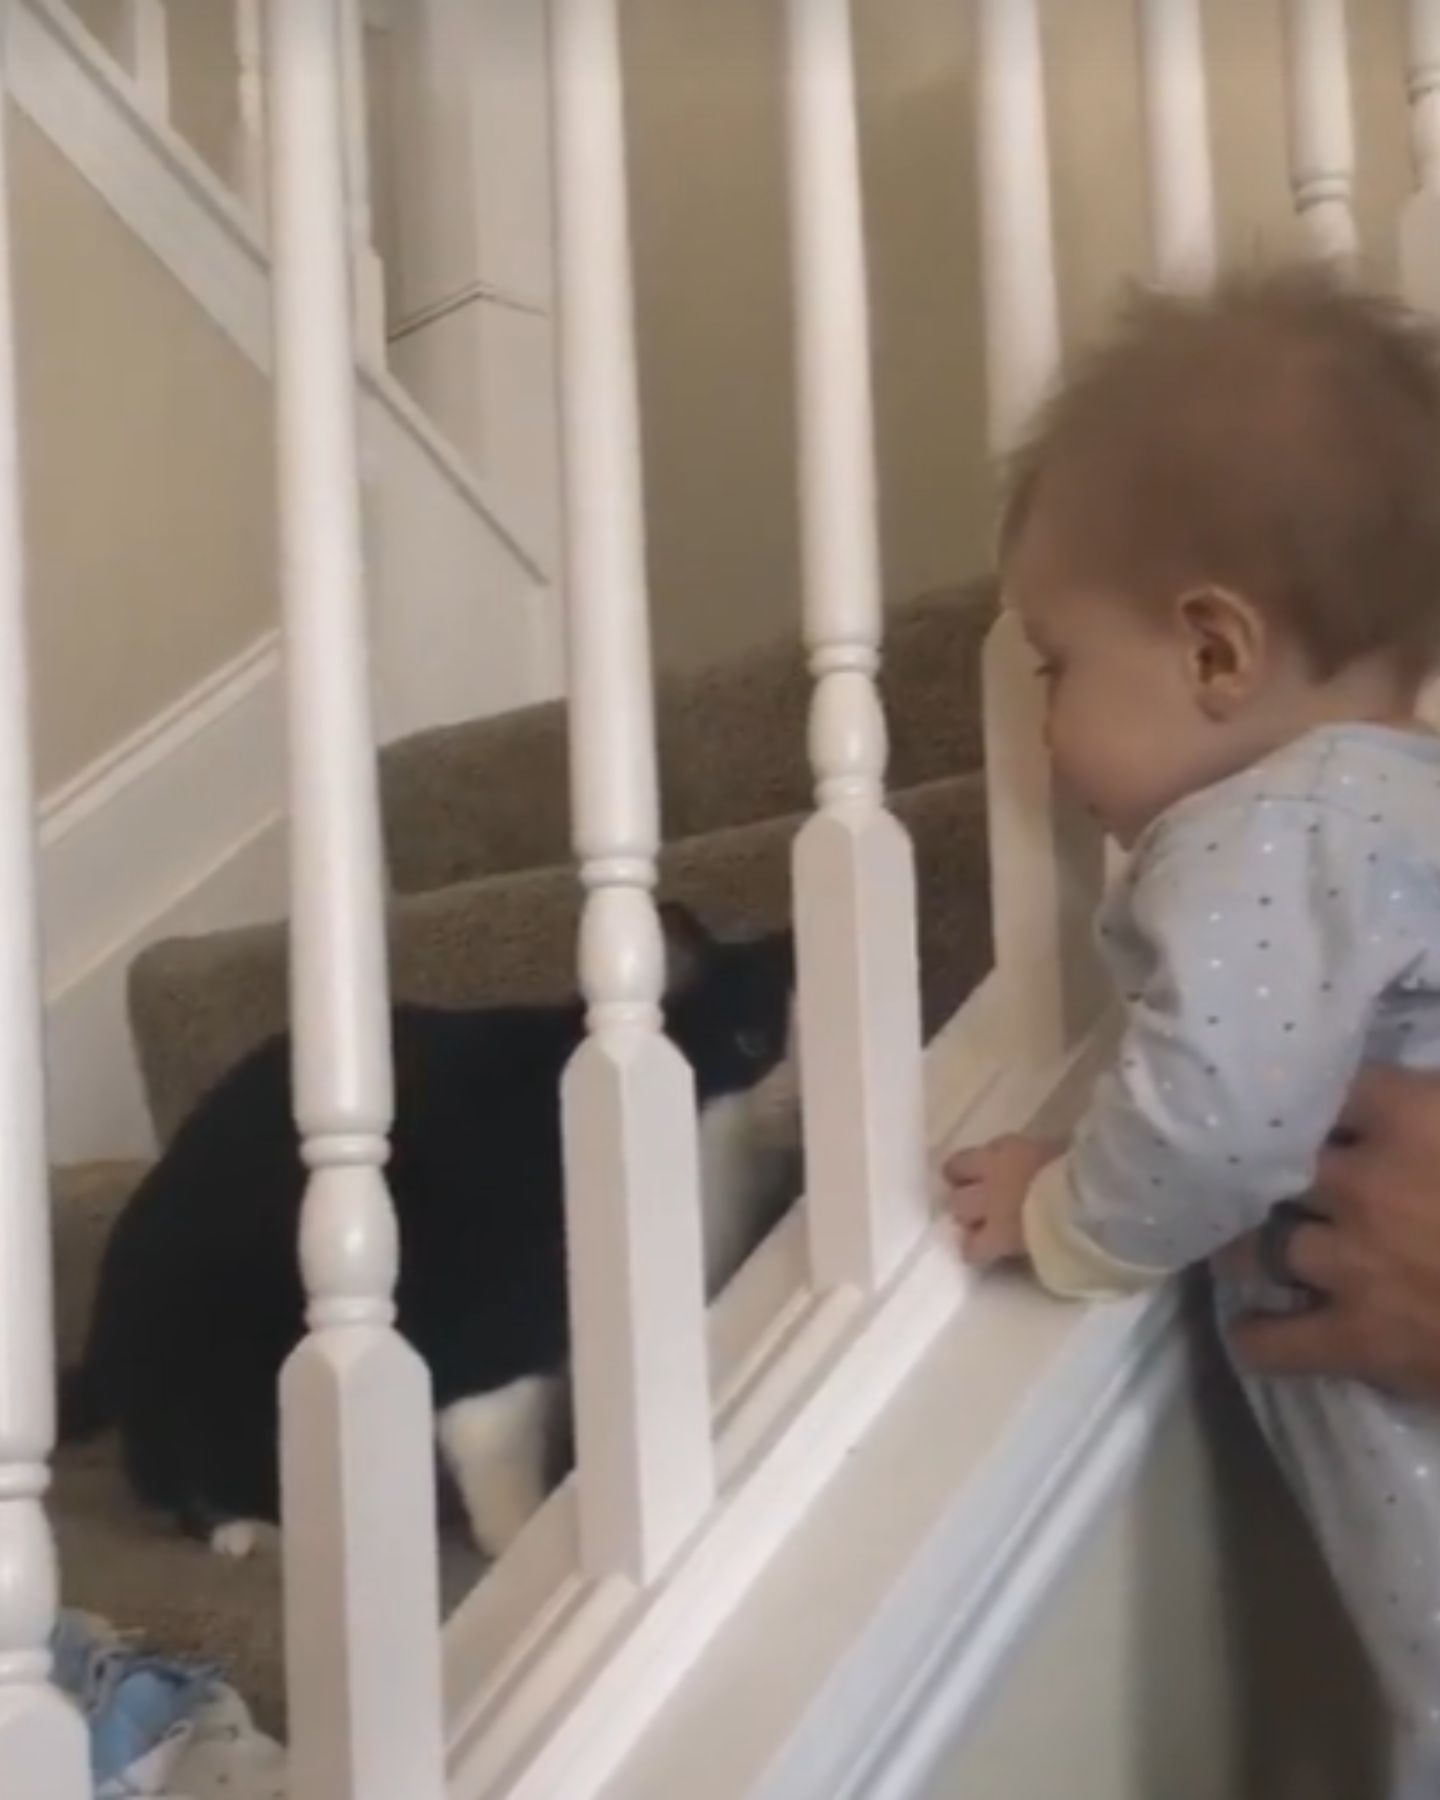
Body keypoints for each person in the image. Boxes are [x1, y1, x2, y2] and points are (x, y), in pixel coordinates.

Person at [943, 267, 1440, 1800]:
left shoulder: (1262, 831)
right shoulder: (1393, 799)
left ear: (1216, 653)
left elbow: (1221, 1115)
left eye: (1056, 666)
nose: (1042, 733)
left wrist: (1060, 1209)